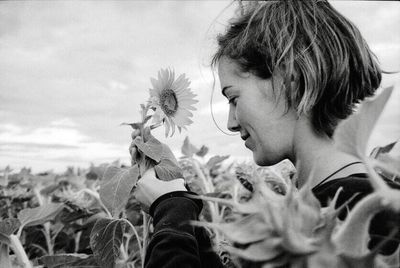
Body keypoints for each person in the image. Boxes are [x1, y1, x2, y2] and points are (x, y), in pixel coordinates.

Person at [130, 1, 400, 267]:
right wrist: (179, 201)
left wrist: (170, 211)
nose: (231, 122)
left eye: (234, 98)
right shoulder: (356, 201)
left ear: (290, 82)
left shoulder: (364, 215)